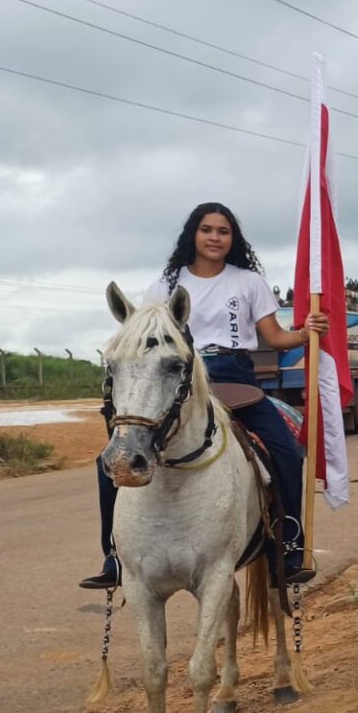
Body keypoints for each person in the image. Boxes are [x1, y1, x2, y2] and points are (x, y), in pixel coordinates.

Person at [79, 202, 328, 588]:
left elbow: (276, 337)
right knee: (110, 459)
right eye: (207, 230)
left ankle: (288, 545)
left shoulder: (248, 282)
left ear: (233, 238)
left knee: (285, 451)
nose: (215, 237)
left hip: (235, 378)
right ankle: (113, 556)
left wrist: (306, 331)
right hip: (176, 378)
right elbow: (148, 340)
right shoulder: (164, 286)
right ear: (193, 234)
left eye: (223, 231)